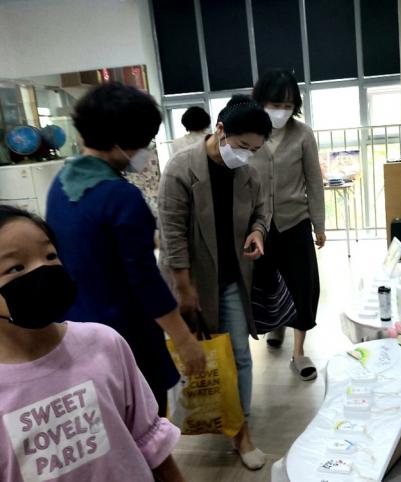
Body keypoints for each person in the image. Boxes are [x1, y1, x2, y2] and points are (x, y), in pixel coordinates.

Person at [46, 82, 206, 418]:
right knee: (145, 423)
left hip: (75, 332)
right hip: (125, 336)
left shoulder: (59, 186)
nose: (145, 151)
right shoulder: (121, 197)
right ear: (120, 142)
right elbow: (144, 279)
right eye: (143, 142)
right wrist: (183, 339)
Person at [0, 205, 186, 482]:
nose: (42, 270)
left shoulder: (104, 344)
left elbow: (149, 438)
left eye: (50, 255)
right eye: (15, 267)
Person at [158, 95, 271, 470]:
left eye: (254, 149)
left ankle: (242, 430)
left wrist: (257, 232)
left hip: (232, 277)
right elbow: (172, 234)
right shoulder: (181, 168)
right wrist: (184, 288)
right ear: (220, 130)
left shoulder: (248, 172)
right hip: (191, 280)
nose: (246, 155)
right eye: (242, 145)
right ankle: (207, 419)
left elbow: (262, 210)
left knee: (239, 354)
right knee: (197, 355)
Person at [250, 69, 325, 381]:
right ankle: (275, 325)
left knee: (302, 285)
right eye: (274, 104)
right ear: (261, 102)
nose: (281, 111)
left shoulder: (303, 134)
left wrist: (319, 225)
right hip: (258, 226)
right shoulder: (250, 132)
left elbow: (314, 182)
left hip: (295, 221)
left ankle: (298, 352)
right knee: (266, 282)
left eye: (287, 105)